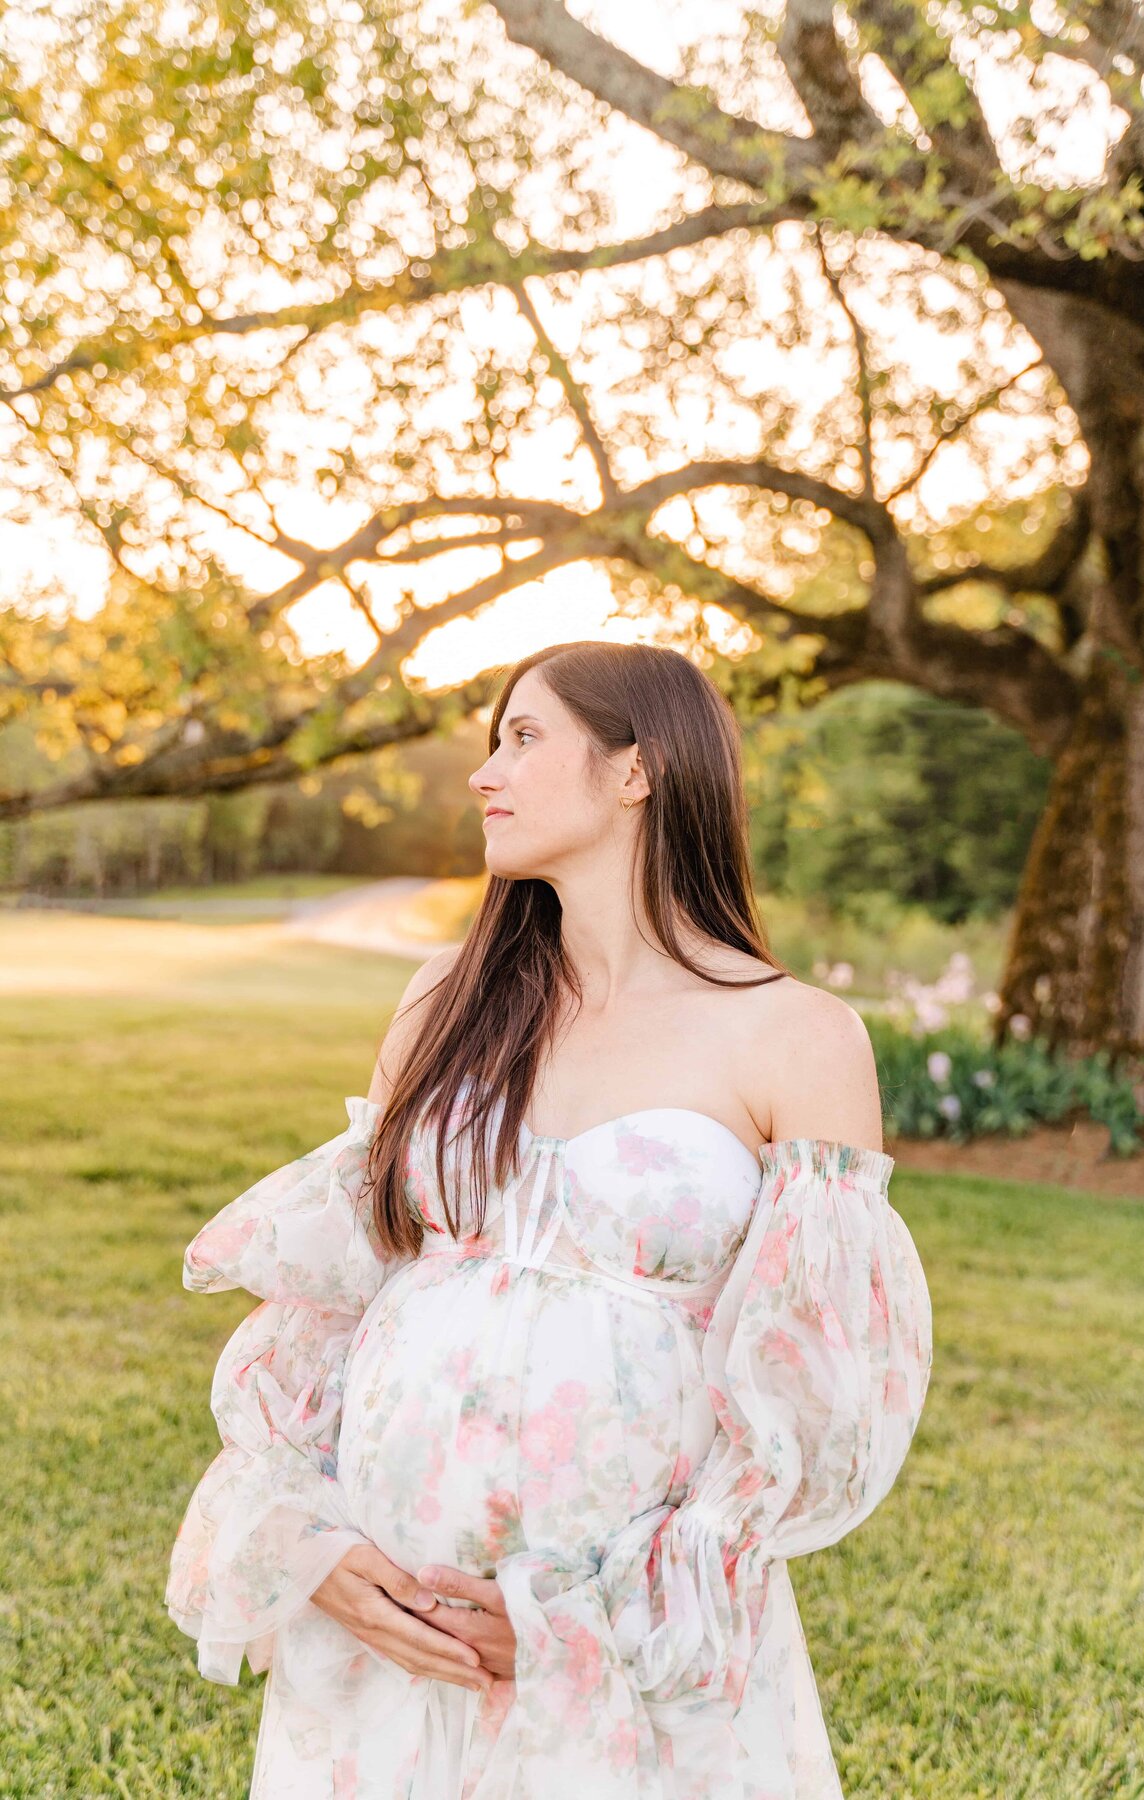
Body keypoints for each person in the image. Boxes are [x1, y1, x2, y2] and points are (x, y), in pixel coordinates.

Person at [165, 640, 934, 1799]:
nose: (485, 774)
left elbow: (813, 1403)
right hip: (393, 1605)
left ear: (640, 769)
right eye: (492, 743)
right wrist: (305, 1537)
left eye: (523, 739)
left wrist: (590, 1626)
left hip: (618, 1637)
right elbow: (337, 1295)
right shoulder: (446, 998)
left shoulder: (796, 1035)